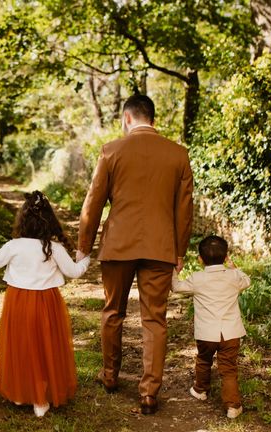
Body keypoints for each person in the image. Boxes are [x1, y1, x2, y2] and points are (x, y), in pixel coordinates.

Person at [77, 94, 194, 414]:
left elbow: (93, 204)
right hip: (160, 247)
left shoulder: (111, 151)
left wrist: (83, 247)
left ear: (127, 118)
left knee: (112, 311)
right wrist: (180, 252)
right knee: (155, 319)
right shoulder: (178, 155)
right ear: (152, 118)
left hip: (118, 245)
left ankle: (111, 376)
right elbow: (184, 211)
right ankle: (149, 392)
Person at [0, 191, 89, 417]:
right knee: (45, 346)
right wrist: (84, 257)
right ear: (49, 221)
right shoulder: (54, 248)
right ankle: (41, 398)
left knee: (21, 345)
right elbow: (75, 272)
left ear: (22, 219)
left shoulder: (14, 246)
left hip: (18, 302)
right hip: (47, 303)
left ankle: (23, 392)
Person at [171, 235, 251, 419]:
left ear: (200, 259)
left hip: (206, 333)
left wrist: (174, 270)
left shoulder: (197, 279)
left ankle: (200, 389)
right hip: (230, 333)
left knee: (204, 360)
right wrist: (234, 268)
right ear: (225, 257)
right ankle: (232, 406)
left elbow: (175, 287)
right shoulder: (233, 277)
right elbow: (247, 281)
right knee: (229, 368)